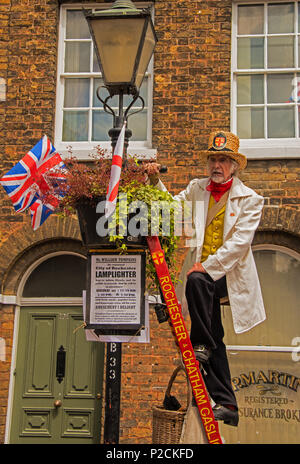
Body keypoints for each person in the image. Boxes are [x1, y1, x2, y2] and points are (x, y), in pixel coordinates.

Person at [145, 130, 266, 427]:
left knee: (199, 285)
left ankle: (200, 343)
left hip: (229, 273)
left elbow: (238, 246)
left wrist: (207, 267)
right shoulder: (197, 189)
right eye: (214, 158)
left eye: (224, 159)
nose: (217, 164)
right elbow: (172, 212)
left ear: (234, 166)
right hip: (202, 276)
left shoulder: (250, 199)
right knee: (215, 335)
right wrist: (153, 182)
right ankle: (227, 404)